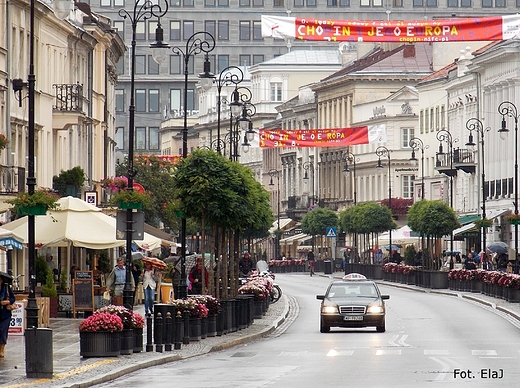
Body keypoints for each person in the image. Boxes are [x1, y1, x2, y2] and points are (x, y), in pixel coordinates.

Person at [0, 274, 15, 357]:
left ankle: (1, 349)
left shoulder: (6, 288)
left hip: (5, 314)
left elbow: (13, 298)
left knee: (3, 331)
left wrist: (7, 302)